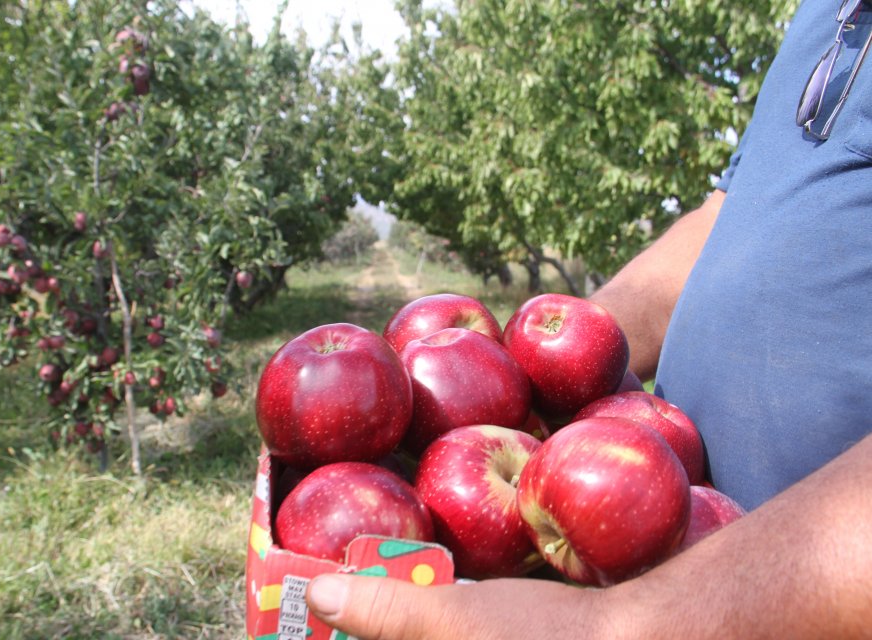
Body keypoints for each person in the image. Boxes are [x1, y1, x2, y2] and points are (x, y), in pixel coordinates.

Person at [302, 1, 872, 637]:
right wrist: (539, 361)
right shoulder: (824, 13)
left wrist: (633, 623)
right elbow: (732, 220)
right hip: (642, 527)